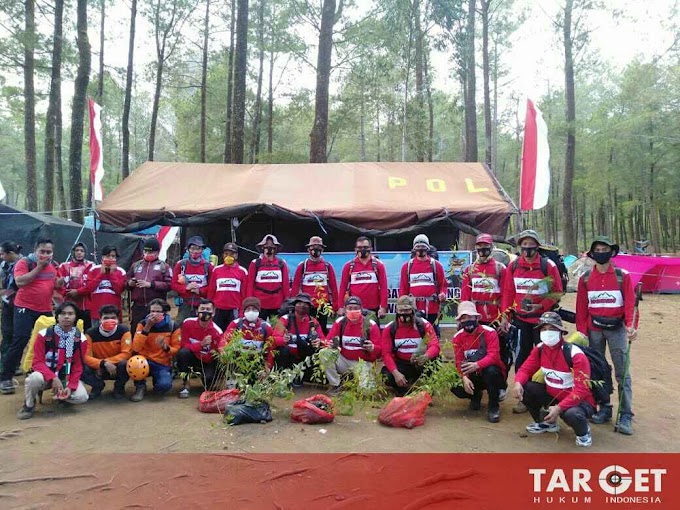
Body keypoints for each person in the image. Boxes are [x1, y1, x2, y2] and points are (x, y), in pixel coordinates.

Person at [576, 236, 636, 435]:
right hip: (594, 330)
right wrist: (582, 332)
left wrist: (631, 325)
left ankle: (626, 414)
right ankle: (604, 407)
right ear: (592, 254)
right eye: (598, 249)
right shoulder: (585, 278)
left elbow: (630, 304)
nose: (601, 252)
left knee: (622, 372)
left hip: (617, 329)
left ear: (612, 252)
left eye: (605, 248)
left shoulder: (622, 276)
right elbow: (582, 307)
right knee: (597, 370)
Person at [500, 229, 563, 413]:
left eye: (530, 245)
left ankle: (547, 399)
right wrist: (505, 314)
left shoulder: (547, 266)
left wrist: (541, 306)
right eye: (524, 245)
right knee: (522, 358)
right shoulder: (514, 266)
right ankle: (524, 399)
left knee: (547, 358)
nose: (527, 249)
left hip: (543, 323)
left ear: (537, 246)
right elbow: (508, 292)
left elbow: (557, 292)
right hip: (521, 321)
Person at [512, 312, 596, 447]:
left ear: (561, 332)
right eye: (544, 329)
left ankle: (583, 432)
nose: (547, 332)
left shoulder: (575, 354)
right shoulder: (540, 349)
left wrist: (559, 407)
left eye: (552, 329)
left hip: (578, 401)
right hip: (553, 395)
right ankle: (546, 423)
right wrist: (518, 382)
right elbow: (525, 369)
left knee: (572, 414)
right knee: (527, 388)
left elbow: (581, 390)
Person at [1, 239, 63, 395]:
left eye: (48, 252)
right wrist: (39, 268)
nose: (45, 254)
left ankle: (41, 372)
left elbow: (55, 284)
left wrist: (59, 283)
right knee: (20, 339)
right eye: (42, 251)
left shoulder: (54, 265)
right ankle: (6, 377)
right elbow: (20, 282)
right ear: (35, 251)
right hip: (24, 307)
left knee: (49, 341)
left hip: (45, 309)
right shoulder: (24, 263)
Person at [17, 301, 89, 419]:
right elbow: (37, 362)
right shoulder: (44, 334)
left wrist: (70, 386)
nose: (66, 317)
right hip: (45, 374)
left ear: (75, 317)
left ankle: (63, 397)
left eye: (70, 314)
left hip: (65, 375)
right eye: (63, 313)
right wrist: (53, 378)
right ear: (57, 316)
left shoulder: (80, 339)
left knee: (81, 397)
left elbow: (78, 366)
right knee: (33, 379)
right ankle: (29, 405)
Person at [451, 301, 505, 423]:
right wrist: (464, 377)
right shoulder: (457, 337)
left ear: (477, 317)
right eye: (463, 317)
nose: (467, 320)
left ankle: (493, 407)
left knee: (491, 371)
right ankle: (475, 396)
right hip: (472, 373)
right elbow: (459, 361)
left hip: (491, 373)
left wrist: (477, 365)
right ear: (460, 321)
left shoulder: (489, 332)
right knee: (453, 382)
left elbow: (494, 356)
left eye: (470, 317)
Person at [381, 296, 440, 396]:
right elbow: (386, 354)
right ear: (396, 310)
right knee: (387, 376)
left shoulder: (424, 325)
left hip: (420, 362)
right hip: (402, 363)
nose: (404, 313)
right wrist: (396, 374)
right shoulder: (390, 328)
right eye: (401, 310)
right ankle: (404, 386)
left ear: (413, 310)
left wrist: (426, 356)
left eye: (407, 310)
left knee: (433, 364)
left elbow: (435, 346)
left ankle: (425, 387)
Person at [324, 296, 382, 396]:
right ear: (345, 309)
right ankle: (335, 384)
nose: (353, 311)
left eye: (356, 308)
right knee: (324, 353)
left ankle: (356, 379)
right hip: (344, 361)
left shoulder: (370, 324)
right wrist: (330, 344)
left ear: (361, 309)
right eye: (350, 308)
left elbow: (380, 351)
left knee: (367, 392)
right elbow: (327, 341)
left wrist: (372, 348)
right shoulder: (340, 322)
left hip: (363, 363)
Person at [126, 298, 181, 402]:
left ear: (164, 312)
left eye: (158, 311)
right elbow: (135, 347)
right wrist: (147, 327)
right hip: (144, 361)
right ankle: (140, 387)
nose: (154, 314)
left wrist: (166, 347)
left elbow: (176, 349)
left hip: (162, 362)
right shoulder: (142, 324)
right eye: (152, 311)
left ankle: (158, 383)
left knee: (164, 386)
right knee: (134, 362)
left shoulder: (172, 326)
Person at [81, 305, 132, 399]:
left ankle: (119, 388)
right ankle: (97, 386)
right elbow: (85, 357)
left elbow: (126, 353)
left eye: (113, 318)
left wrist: (106, 363)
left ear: (118, 319)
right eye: (106, 318)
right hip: (98, 368)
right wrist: (102, 364)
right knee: (80, 367)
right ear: (100, 319)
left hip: (116, 367)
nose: (110, 320)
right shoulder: (90, 333)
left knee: (126, 363)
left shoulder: (124, 331)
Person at [272, 293, 325, 383]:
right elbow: (274, 339)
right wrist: (283, 340)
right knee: (282, 351)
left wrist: (319, 342)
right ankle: (281, 378)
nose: (302, 306)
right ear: (294, 305)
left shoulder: (313, 322)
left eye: (305, 304)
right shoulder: (285, 320)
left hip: (304, 358)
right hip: (288, 358)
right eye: (299, 303)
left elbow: (323, 339)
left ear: (309, 307)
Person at [291, 236, 339, 335]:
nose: (315, 250)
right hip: (306, 306)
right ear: (308, 249)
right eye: (313, 247)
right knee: (305, 330)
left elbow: (334, 287)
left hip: (323, 306)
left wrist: (335, 306)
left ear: (322, 249)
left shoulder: (327, 266)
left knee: (322, 330)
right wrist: (293, 305)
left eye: (318, 247)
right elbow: (295, 287)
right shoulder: (302, 266)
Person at [177, 299, 224, 397]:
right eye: (202, 309)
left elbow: (217, 354)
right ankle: (186, 384)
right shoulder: (188, 323)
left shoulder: (217, 331)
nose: (205, 312)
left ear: (213, 313)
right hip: (192, 358)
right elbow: (183, 345)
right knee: (183, 353)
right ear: (196, 311)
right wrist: (201, 344)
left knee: (209, 384)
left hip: (207, 361)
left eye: (208, 309)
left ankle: (208, 379)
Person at [399, 234, 447, 325]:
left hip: (432, 308)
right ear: (414, 249)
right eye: (418, 246)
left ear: (427, 248)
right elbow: (403, 288)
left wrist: (443, 294)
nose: (420, 249)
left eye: (423, 246)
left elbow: (443, 284)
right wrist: (403, 306)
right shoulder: (407, 267)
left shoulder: (436, 265)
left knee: (432, 334)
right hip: (414, 308)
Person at [224, 297, 277, 379]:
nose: (251, 312)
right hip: (238, 362)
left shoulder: (266, 327)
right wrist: (225, 355)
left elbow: (271, 349)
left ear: (259, 311)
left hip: (257, 362)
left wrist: (267, 367)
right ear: (244, 311)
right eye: (248, 309)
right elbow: (224, 341)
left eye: (254, 309)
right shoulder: (235, 324)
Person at [127, 237, 173, 332]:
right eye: (146, 252)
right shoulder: (136, 265)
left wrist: (151, 284)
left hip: (156, 307)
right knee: (136, 331)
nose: (148, 254)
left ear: (157, 252)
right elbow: (126, 281)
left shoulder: (164, 267)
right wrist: (130, 283)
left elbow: (169, 285)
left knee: (156, 331)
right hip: (138, 306)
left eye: (151, 252)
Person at [338, 236, 388, 322]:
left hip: (373, 308)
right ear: (355, 249)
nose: (362, 249)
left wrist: (383, 307)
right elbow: (342, 288)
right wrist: (340, 307)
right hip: (354, 308)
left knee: (373, 333)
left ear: (370, 248)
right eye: (359, 247)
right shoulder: (349, 266)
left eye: (365, 247)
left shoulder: (378, 265)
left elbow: (384, 287)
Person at [461, 233, 507, 326]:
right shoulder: (470, 269)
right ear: (476, 247)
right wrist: (463, 315)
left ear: (491, 247)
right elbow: (465, 295)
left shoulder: (500, 268)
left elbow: (505, 295)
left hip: (495, 317)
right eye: (479, 245)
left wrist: (505, 318)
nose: (482, 248)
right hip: (474, 316)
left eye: (486, 245)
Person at [77, 245, 127, 329]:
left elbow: (119, 290)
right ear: (102, 257)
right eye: (108, 256)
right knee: (96, 338)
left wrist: (112, 274)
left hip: (114, 313)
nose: (110, 258)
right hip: (97, 313)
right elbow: (89, 289)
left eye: (113, 256)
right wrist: (101, 274)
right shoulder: (94, 270)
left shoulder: (120, 271)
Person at [247, 234, 290, 320]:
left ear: (276, 249)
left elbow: (285, 285)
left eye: (272, 247)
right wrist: (250, 302)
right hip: (259, 303)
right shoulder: (255, 263)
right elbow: (250, 284)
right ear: (262, 248)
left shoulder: (281, 263)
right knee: (259, 329)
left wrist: (287, 301)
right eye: (266, 247)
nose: (269, 249)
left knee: (278, 328)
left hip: (277, 303)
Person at [172, 236, 214, 323]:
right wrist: (185, 288)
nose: (195, 251)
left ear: (202, 250)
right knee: (181, 326)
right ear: (188, 249)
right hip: (185, 304)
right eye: (192, 248)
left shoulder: (208, 266)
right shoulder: (181, 264)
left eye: (198, 249)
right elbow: (173, 284)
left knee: (203, 327)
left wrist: (201, 291)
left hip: (203, 304)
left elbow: (212, 286)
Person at [207, 242, 248, 331]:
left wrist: (242, 312)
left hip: (234, 310)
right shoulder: (216, 270)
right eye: (226, 254)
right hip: (218, 309)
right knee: (217, 332)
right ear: (223, 255)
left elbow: (244, 294)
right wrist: (210, 308)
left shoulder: (243, 271)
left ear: (236, 256)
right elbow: (211, 291)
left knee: (233, 334)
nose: (228, 256)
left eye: (232, 254)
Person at [59, 242, 94, 330]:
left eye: (82, 251)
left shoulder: (91, 266)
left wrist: (78, 292)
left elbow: (92, 285)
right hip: (68, 304)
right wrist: (67, 293)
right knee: (68, 330)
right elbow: (59, 285)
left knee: (86, 331)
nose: (79, 252)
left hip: (86, 306)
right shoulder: (63, 266)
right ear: (73, 252)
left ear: (85, 253)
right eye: (77, 250)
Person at [0, 241, 21, 372]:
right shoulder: (3, 265)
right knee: (7, 333)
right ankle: (5, 364)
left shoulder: (24, 264)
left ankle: (15, 364)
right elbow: (2, 281)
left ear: (11, 253)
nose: (1, 256)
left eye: (2, 254)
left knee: (19, 335)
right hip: (8, 304)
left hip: (21, 305)